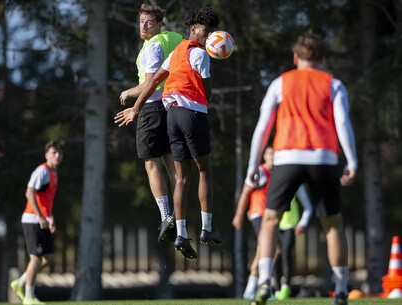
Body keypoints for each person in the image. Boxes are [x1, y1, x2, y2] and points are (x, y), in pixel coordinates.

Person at [247, 32, 357, 305]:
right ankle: (341, 290)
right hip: (324, 158)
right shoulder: (334, 84)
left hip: (287, 158)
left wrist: (252, 165)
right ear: (321, 59)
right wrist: (352, 160)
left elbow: (263, 127)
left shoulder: (279, 83)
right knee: (333, 225)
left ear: (295, 58)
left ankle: (263, 284)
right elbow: (343, 124)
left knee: (270, 221)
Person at [115, 7, 222, 259]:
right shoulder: (199, 54)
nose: (209, 38)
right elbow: (207, 93)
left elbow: (152, 82)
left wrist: (135, 108)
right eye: (207, 32)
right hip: (188, 113)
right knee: (203, 170)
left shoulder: (175, 51)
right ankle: (206, 228)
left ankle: (181, 233)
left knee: (181, 176)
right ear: (193, 29)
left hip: (170, 114)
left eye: (211, 33)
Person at [117, 4, 182, 244]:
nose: (144, 26)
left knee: (151, 164)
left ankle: (167, 216)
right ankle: (179, 215)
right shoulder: (175, 38)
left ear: (159, 25)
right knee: (171, 162)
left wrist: (129, 94)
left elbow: (150, 84)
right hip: (173, 107)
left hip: (152, 109)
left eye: (149, 23)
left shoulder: (153, 46)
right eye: (141, 21)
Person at [233, 147, 312, 300]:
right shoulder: (260, 172)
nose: (273, 157)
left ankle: (253, 287)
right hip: (258, 214)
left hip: (268, 217)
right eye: (270, 154)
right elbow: (245, 192)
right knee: (272, 248)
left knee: (262, 251)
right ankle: (261, 285)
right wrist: (239, 214)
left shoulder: (275, 174)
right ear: (264, 156)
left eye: (274, 154)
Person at [10, 141, 63, 305]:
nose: (57, 155)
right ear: (46, 155)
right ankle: (28, 297)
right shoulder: (42, 171)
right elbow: (29, 192)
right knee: (36, 259)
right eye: (54, 152)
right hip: (32, 220)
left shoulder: (55, 174)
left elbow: (48, 200)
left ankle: (19, 282)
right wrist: (40, 217)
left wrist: (50, 217)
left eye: (59, 152)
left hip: (43, 221)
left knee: (49, 259)